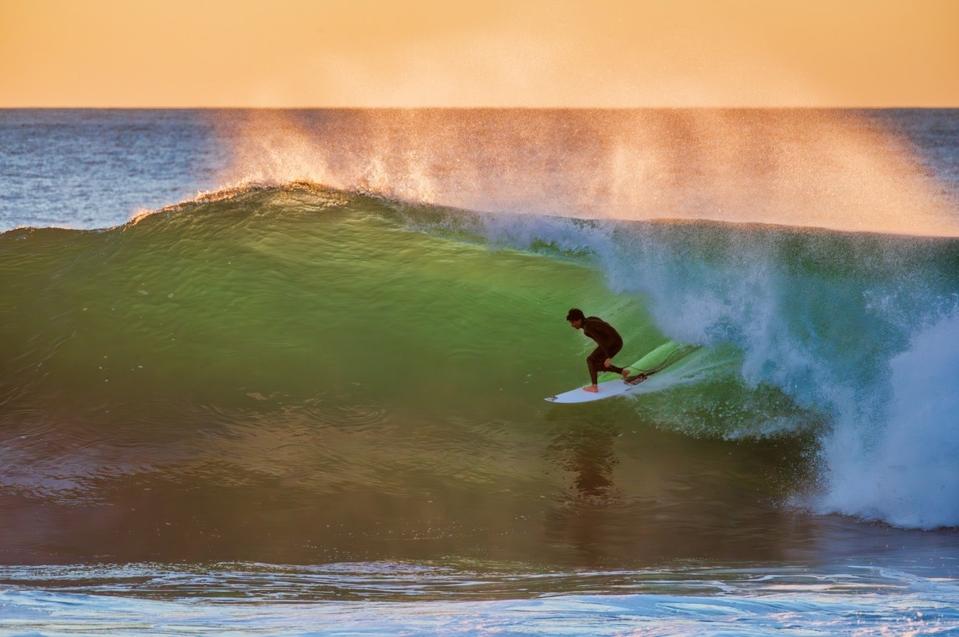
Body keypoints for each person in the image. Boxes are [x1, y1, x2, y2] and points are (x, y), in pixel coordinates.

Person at [566, 308, 636, 393]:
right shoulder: (591, 319)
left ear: (579, 320)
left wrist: (608, 356)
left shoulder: (587, 328)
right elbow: (606, 327)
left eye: (572, 322)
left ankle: (594, 387)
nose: (572, 325)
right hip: (616, 340)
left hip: (612, 343)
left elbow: (600, 340)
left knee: (590, 360)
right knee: (597, 364)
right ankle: (623, 372)